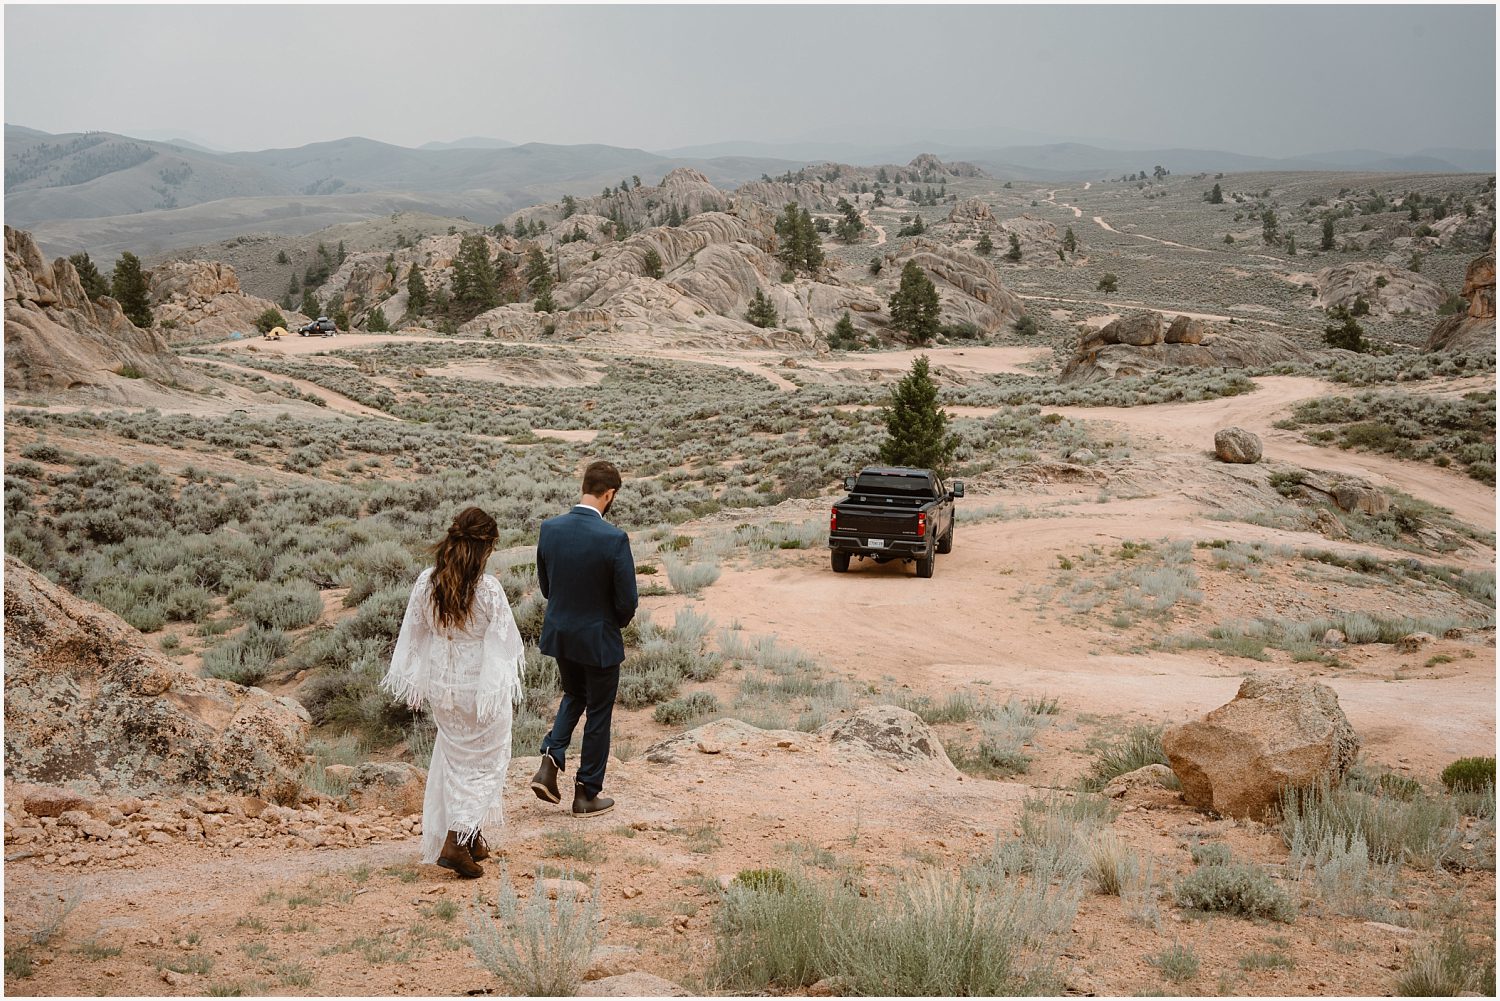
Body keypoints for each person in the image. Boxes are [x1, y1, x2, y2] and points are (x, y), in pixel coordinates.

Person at [381, 507, 524, 878]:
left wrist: (418, 677)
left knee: (457, 763)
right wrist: (499, 683)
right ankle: (456, 842)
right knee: (488, 763)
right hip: (479, 690)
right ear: (486, 547)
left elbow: (413, 633)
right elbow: (506, 641)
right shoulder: (487, 588)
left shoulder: (426, 582)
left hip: (443, 690)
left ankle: (472, 836)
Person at [531, 460, 638, 818]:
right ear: (609, 495)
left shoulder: (550, 529)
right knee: (599, 712)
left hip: (562, 635)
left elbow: (547, 588)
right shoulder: (614, 538)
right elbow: (627, 601)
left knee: (574, 694)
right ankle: (586, 793)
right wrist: (613, 624)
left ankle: (550, 760)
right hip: (599, 640)